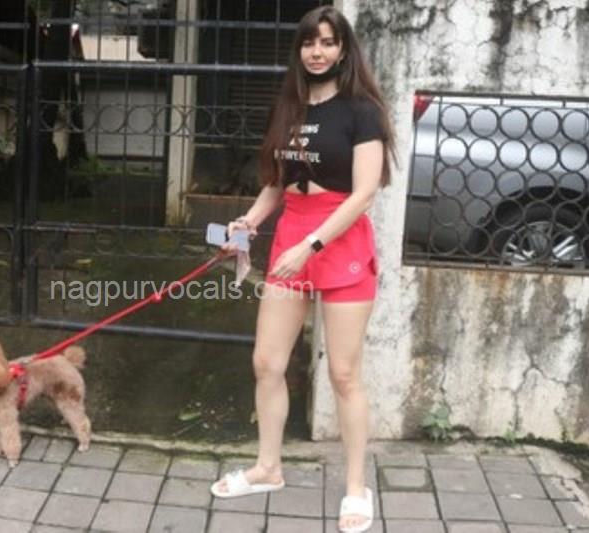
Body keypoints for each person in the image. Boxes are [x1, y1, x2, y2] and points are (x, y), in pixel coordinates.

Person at [209, 6, 396, 533]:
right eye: (310, 43)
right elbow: (277, 183)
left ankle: (356, 486)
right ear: (300, 50)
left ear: (343, 49)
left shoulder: (362, 111)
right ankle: (268, 468)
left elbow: (363, 194)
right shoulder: (288, 106)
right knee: (267, 362)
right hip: (293, 233)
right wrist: (247, 223)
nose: (318, 52)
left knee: (343, 374)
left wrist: (311, 245)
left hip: (338, 238)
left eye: (328, 42)